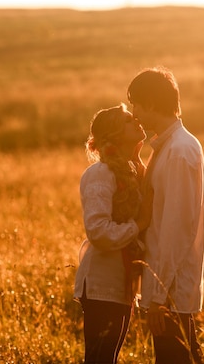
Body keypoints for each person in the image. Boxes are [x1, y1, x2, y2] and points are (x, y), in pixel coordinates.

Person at [127, 67, 204, 364]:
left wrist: (159, 296)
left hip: (171, 291)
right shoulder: (167, 147)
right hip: (167, 288)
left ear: (150, 103)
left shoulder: (180, 151)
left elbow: (177, 227)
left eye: (136, 104)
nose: (134, 113)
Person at [74, 104, 152, 364]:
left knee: (109, 358)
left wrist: (137, 159)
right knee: (100, 360)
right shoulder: (100, 174)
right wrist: (138, 225)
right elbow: (98, 232)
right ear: (116, 134)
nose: (137, 120)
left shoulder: (128, 172)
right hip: (101, 284)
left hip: (120, 284)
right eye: (129, 120)